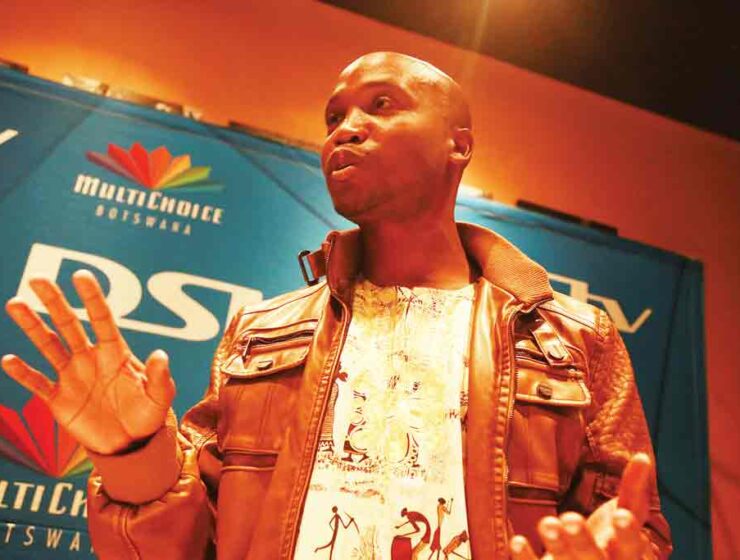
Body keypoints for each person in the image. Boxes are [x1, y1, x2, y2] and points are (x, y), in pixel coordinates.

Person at [2, 52, 673, 559]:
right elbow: (189, 541)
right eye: (333, 118)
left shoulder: (573, 337)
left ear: (459, 144)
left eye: (382, 105)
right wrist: (131, 451)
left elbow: (631, 525)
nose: (346, 130)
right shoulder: (259, 332)